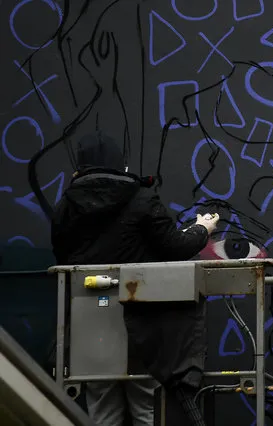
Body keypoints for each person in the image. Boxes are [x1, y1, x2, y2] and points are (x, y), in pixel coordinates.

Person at [51, 131, 218, 426]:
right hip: (140, 316)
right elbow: (175, 247)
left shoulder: (66, 205)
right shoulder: (140, 198)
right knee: (146, 403)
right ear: (121, 166)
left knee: (102, 405)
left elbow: (62, 256)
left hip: (88, 318)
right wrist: (202, 229)